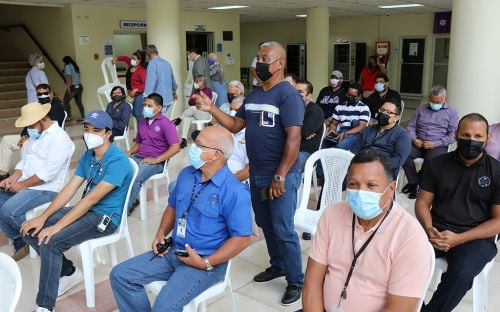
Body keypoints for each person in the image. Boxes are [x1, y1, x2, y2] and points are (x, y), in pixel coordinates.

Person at [195, 41, 305, 305]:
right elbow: (235, 125)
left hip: (280, 175)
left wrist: (280, 175)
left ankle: (296, 280)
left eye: (265, 57)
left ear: (279, 63)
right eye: (257, 57)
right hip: (256, 173)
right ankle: (277, 265)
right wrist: (212, 109)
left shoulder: (287, 95)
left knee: (283, 228)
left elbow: (294, 138)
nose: (259, 62)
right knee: (266, 225)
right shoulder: (255, 95)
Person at [110, 126, 252, 312]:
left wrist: (206, 262)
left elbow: (242, 238)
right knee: (121, 275)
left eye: (199, 144)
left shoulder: (234, 191)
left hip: (205, 262)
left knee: (164, 307)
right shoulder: (187, 174)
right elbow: (173, 206)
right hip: (174, 251)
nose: (192, 146)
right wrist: (161, 233)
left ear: (215, 155)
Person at [20, 110, 133, 312]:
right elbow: (70, 189)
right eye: (87, 129)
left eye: (96, 130)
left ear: (108, 133)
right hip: (86, 210)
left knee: (51, 241)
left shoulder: (118, 161)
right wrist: (43, 217)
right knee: (30, 230)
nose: (89, 134)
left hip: (104, 218)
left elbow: (91, 199)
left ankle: (45, 306)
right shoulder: (88, 155)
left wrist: (55, 228)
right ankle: (68, 271)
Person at [303, 149, 432, 312]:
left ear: (391, 188)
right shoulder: (331, 214)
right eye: (353, 184)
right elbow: (312, 280)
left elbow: (400, 308)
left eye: (371, 185)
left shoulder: (410, 237)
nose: (361, 192)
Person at [415, 113, 500, 312]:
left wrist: (459, 238)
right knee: (397, 256)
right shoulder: (437, 163)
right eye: (466, 135)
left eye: (478, 137)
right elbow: (422, 202)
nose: (472, 141)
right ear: (456, 135)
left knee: (461, 273)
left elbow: (498, 221)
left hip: (475, 237)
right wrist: (429, 228)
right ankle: (412, 306)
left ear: (488, 138)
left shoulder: (497, 172)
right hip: (435, 231)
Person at [0, 102, 73, 261]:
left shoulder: (59, 138)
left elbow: (48, 173)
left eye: (31, 124)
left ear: (42, 119)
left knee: (8, 211)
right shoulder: (36, 136)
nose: (28, 128)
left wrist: (22, 185)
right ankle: (22, 239)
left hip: (47, 189)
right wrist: (12, 178)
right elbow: (24, 163)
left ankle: (48, 247)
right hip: (28, 185)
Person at [402, 85, 459, 199]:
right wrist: (414, 139)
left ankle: (419, 185)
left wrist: (435, 143)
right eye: (432, 101)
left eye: (438, 102)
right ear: (429, 97)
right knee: (403, 154)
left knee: (432, 161)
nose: (434, 104)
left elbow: (453, 134)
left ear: (445, 99)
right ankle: (415, 183)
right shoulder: (421, 108)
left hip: (437, 145)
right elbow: (411, 127)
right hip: (418, 142)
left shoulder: (452, 112)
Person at [126, 93, 180, 214]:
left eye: (150, 105)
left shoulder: (166, 123)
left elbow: (175, 147)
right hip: (139, 157)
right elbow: (139, 144)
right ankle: (130, 200)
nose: (146, 108)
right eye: (145, 105)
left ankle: (125, 207)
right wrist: (129, 153)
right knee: (119, 169)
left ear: (159, 108)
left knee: (135, 175)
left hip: (157, 162)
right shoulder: (142, 122)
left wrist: (156, 160)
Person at [0, 83, 65, 180]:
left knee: (26, 144)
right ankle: (3, 173)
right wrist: (24, 136)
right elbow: (28, 123)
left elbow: (51, 130)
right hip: (32, 135)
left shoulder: (56, 108)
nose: (42, 96)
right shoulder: (37, 106)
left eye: (45, 93)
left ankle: (26, 176)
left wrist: (29, 139)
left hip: (44, 138)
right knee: (6, 140)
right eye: (39, 94)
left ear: (51, 93)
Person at [359, 98, 411, 180]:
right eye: (382, 110)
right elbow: (356, 148)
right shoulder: (367, 129)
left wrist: (377, 165)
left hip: (383, 174)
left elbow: (398, 160)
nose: (383, 113)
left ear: (396, 118)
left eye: (388, 112)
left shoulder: (402, 135)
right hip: (361, 168)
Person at [323, 82, 370, 153]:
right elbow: (334, 123)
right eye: (348, 95)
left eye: (352, 96)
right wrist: (332, 131)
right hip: (341, 132)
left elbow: (361, 127)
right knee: (324, 144)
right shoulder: (339, 107)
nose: (349, 97)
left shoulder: (364, 108)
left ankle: (335, 163)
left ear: (359, 96)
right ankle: (322, 164)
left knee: (340, 147)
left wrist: (346, 133)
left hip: (355, 133)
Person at [172, 75, 212, 149]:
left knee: (193, 108)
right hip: (197, 113)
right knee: (187, 118)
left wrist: (196, 101)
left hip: (205, 114)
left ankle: (179, 119)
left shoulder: (208, 91)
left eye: (197, 82)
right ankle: (184, 140)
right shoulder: (196, 91)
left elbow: (203, 104)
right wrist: (197, 101)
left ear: (202, 82)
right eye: (195, 81)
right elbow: (190, 102)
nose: (195, 83)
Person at [295, 79, 324, 171]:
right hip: (290, 149)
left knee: (293, 165)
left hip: (306, 152)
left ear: (309, 96)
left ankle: (291, 186)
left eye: (300, 92)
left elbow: (305, 132)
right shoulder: (291, 108)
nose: (296, 94)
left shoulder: (315, 110)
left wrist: (293, 130)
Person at [113, 51, 147, 121]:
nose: (132, 60)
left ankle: (142, 130)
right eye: (132, 58)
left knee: (138, 113)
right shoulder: (130, 65)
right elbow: (125, 58)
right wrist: (116, 58)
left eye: (134, 59)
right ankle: (142, 127)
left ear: (139, 60)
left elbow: (145, 84)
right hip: (131, 94)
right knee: (134, 112)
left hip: (139, 94)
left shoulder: (142, 71)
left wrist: (135, 90)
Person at [144, 44, 178, 115]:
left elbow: (151, 83)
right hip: (169, 99)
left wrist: (146, 97)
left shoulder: (152, 64)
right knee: (165, 121)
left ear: (148, 54)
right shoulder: (167, 63)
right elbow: (173, 81)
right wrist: (174, 91)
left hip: (158, 100)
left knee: (157, 123)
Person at [62, 55, 85, 122]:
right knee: (79, 102)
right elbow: (78, 76)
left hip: (73, 87)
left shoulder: (67, 66)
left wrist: (68, 87)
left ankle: (69, 116)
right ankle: (83, 116)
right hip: (79, 86)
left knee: (65, 101)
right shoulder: (75, 66)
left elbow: (69, 76)